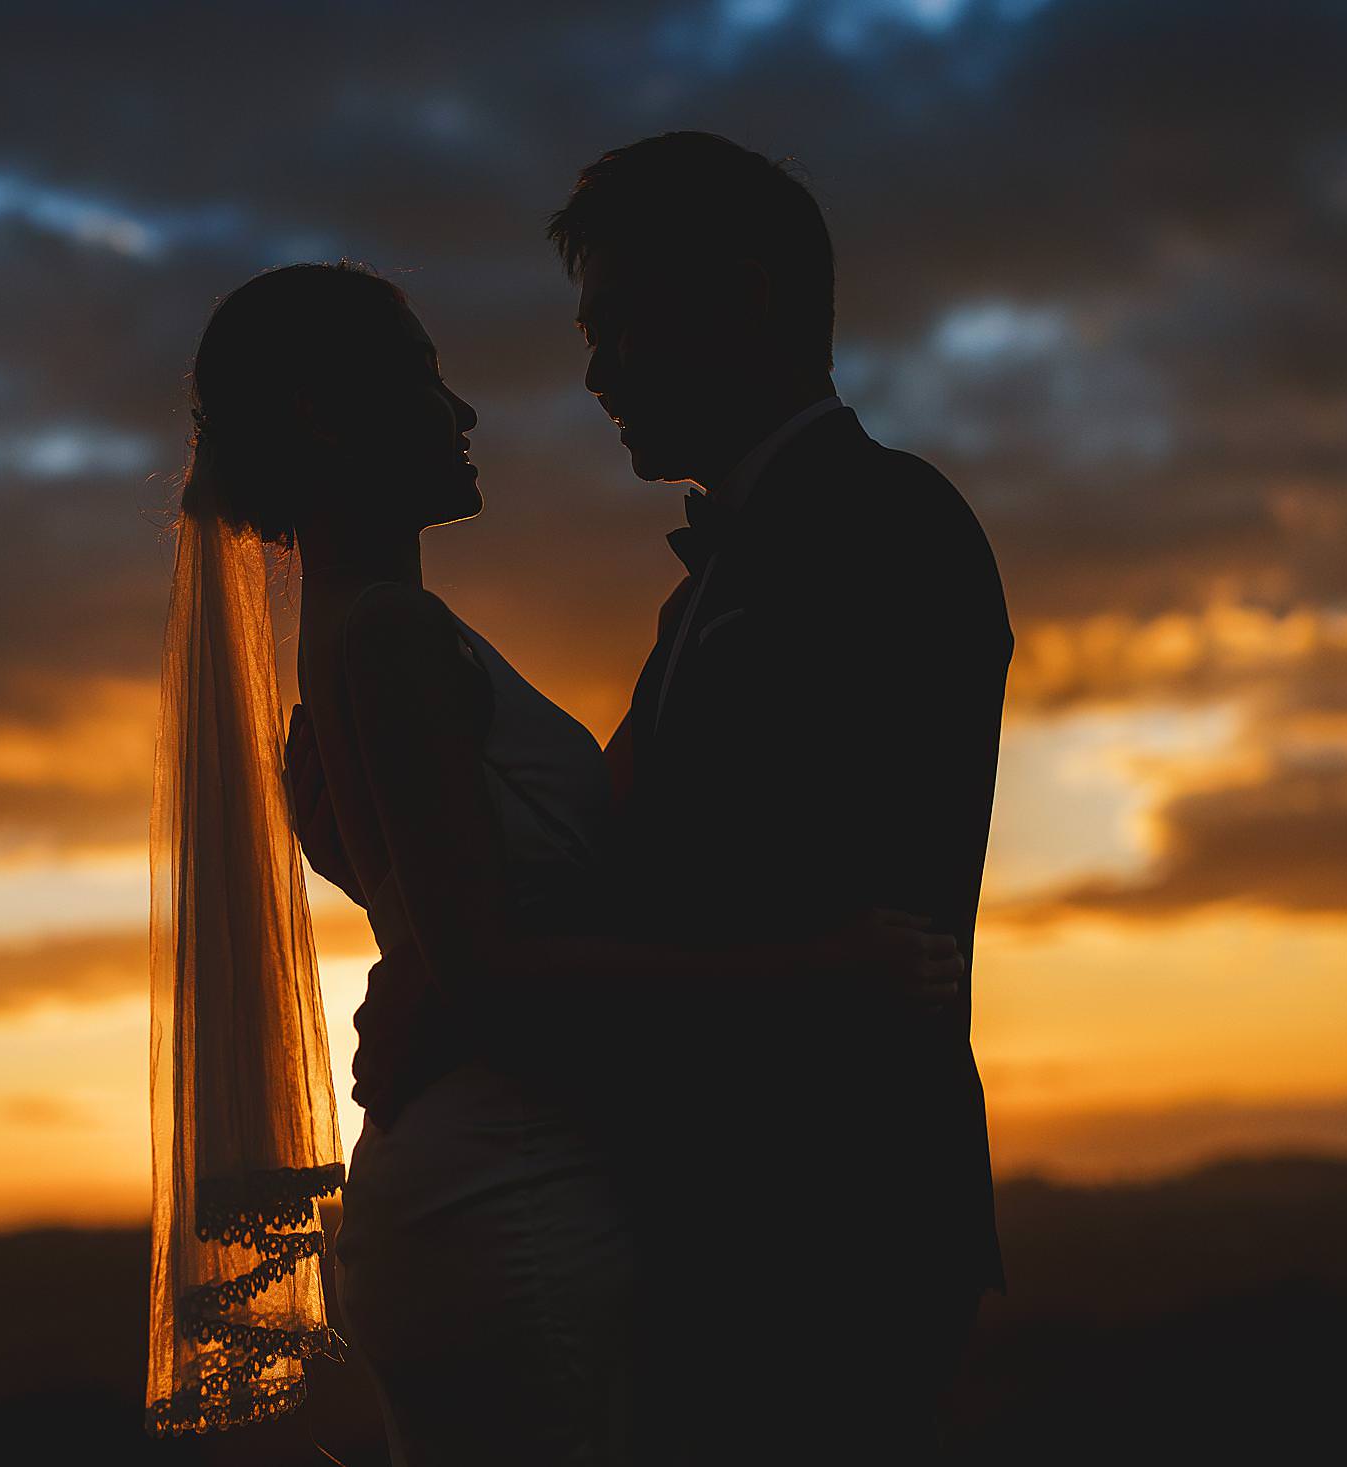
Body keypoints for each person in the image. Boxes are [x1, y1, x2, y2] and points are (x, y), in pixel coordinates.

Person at [151, 259, 968, 1464]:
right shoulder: (390, 635)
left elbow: (464, 918)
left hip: (471, 1172)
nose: (464, 415)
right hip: (507, 1188)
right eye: (425, 380)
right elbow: (490, 968)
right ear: (329, 415)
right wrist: (820, 964)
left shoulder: (347, 658)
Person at [340, 133, 1015, 1458]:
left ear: (746, 297)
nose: (593, 374)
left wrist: (482, 981)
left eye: (620, 325)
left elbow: (749, 885)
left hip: (831, 1214)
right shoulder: (712, 579)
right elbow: (628, 853)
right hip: (718, 1214)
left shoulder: (888, 528)